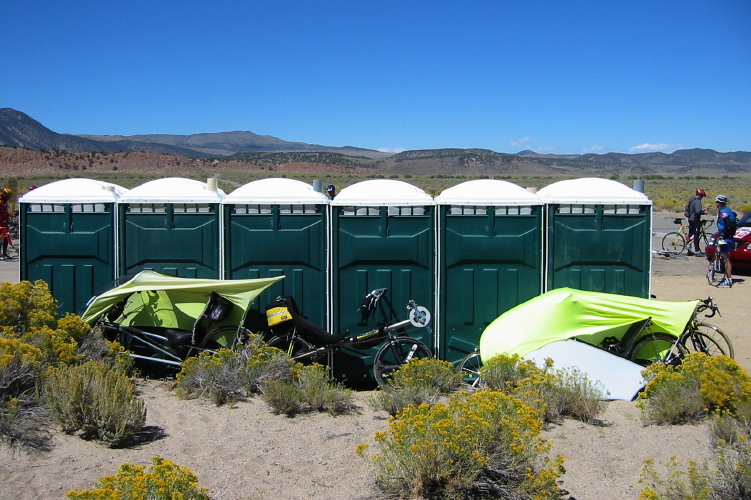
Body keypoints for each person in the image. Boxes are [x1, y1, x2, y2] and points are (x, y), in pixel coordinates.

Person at [715, 194, 736, 287]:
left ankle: (728, 279)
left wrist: (722, 234)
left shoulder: (723, 212)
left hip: (726, 237)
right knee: (725, 258)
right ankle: (727, 277)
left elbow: (727, 224)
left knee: (726, 259)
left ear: (718, 203)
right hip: (729, 237)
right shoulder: (728, 211)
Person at [686, 189, 708, 256]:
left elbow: (693, 210)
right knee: (696, 235)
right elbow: (698, 211)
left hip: (690, 219)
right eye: (702, 196)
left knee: (690, 234)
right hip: (695, 220)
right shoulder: (698, 201)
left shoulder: (692, 200)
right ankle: (697, 251)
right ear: (700, 195)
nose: (702, 197)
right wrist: (704, 212)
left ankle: (689, 250)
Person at [0, 188, 13, 261]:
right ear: (4, 194)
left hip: (5, 221)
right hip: (0, 221)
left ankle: (4, 253)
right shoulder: (0, 201)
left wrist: (10, 216)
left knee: (6, 238)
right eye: (8, 196)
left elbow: (5, 211)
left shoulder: (4, 202)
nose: (8, 198)